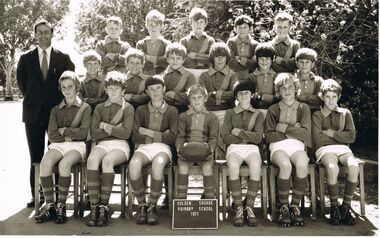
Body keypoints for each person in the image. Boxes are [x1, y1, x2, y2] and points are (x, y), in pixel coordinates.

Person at [16, 19, 75, 208]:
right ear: (35, 35)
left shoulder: (63, 58)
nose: (43, 35)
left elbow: (70, 82)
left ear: (52, 34)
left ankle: (57, 196)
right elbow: (22, 84)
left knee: (57, 153)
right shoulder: (25, 58)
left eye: (46, 32)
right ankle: (37, 194)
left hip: (56, 114)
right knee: (36, 156)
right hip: (33, 114)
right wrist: (35, 100)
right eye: (39, 32)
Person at [34, 71, 91, 224]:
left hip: (77, 146)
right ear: (60, 89)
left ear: (77, 87)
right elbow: (52, 135)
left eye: (70, 86)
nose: (67, 90)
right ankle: (50, 205)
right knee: (45, 163)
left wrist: (64, 131)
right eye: (63, 87)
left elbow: (84, 133)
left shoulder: (85, 108)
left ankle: (62, 206)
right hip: (58, 144)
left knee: (64, 164)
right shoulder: (55, 110)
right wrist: (71, 134)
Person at [86, 71, 135, 227]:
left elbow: (126, 133)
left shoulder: (128, 108)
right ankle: (94, 205)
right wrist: (115, 128)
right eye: (110, 88)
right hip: (102, 143)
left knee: (107, 161)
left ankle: (104, 207)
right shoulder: (100, 107)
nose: (113, 92)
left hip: (120, 145)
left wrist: (105, 126)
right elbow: (94, 132)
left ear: (123, 91)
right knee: (92, 159)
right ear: (106, 89)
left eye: (117, 88)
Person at [129, 75, 178, 225]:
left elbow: (172, 137)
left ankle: (152, 205)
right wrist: (160, 135)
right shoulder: (141, 110)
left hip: (163, 148)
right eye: (152, 89)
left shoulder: (172, 110)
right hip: (144, 147)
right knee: (134, 164)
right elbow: (135, 136)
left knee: (158, 165)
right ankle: (142, 204)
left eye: (158, 88)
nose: (156, 92)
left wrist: (148, 132)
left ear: (164, 89)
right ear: (147, 92)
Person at [265, 73, 311, 227]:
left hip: (297, 146)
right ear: (278, 91)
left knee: (303, 163)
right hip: (278, 147)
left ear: (296, 88)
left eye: (290, 86)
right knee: (285, 165)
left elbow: (305, 133)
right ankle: (284, 207)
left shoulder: (304, 108)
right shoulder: (273, 109)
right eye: (283, 88)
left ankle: (295, 206)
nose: (287, 90)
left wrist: (283, 127)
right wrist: (293, 130)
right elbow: (270, 136)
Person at [312, 79, 359, 226]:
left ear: (338, 97)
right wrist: (340, 135)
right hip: (324, 149)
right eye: (327, 97)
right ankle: (334, 207)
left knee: (353, 166)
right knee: (332, 168)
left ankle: (345, 207)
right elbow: (318, 139)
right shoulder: (318, 115)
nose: (330, 100)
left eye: (334, 97)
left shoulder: (345, 113)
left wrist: (331, 133)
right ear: (322, 97)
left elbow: (351, 136)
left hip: (343, 148)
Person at [221, 80, 265, 227]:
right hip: (234, 148)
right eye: (240, 93)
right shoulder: (230, 113)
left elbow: (258, 137)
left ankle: (250, 206)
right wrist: (248, 135)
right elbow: (226, 137)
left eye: (247, 93)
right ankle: (239, 207)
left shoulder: (258, 114)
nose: (244, 95)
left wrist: (238, 132)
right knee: (233, 166)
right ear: (236, 96)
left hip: (252, 149)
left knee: (255, 166)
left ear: (252, 95)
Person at [176, 84, 219, 199]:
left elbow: (213, 138)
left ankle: (210, 201)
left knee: (207, 167)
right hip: (187, 151)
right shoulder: (183, 116)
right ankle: (181, 202)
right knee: (183, 167)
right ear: (189, 99)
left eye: (199, 97)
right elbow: (180, 136)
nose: (196, 100)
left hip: (204, 151)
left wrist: (210, 151)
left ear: (205, 98)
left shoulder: (212, 117)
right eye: (193, 98)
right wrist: (179, 151)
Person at [199, 42, 238, 126]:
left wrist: (213, 94)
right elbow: (202, 96)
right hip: (208, 111)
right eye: (217, 56)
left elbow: (234, 94)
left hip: (227, 112)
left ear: (226, 58)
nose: (220, 59)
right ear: (212, 58)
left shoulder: (232, 75)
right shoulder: (204, 76)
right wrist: (224, 97)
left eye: (223, 56)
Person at [180, 7, 215, 80]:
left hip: (206, 73)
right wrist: (203, 58)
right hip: (188, 73)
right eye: (196, 21)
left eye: (201, 22)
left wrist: (193, 56)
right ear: (190, 23)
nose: (198, 25)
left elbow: (212, 59)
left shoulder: (210, 40)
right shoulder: (184, 41)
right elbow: (183, 60)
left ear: (205, 23)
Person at [162, 42, 196, 114]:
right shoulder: (162, 76)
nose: (175, 61)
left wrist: (174, 95)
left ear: (183, 60)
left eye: (178, 58)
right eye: (172, 58)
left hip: (183, 109)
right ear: (167, 59)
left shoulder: (189, 76)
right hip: (164, 109)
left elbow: (192, 96)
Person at [136, 9, 171, 76]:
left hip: (163, 77)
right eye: (151, 25)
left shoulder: (167, 44)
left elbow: (166, 61)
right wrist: (158, 61)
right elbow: (141, 64)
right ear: (146, 25)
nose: (153, 28)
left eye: (157, 25)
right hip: (145, 77)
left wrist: (147, 57)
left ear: (161, 26)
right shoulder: (141, 44)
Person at [248, 43, 279, 111]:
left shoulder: (277, 77)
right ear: (257, 59)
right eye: (261, 58)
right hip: (255, 110)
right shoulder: (251, 77)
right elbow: (251, 97)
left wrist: (261, 96)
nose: (264, 61)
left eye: (267, 58)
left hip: (273, 110)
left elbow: (278, 97)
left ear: (272, 59)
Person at [227, 15, 259, 79]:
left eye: (245, 27)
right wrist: (248, 62)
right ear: (235, 29)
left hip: (250, 78)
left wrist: (239, 59)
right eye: (239, 27)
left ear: (250, 29)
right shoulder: (231, 42)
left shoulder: (255, 45)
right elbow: (231, 63)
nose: (242, 30)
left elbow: (256, 65)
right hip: (233, 77)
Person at [294, 48, 324, 113]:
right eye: (301, 62)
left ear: (312, 64)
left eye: (307, 62)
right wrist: (311, 98)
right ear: (296, 63)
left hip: (314, 113)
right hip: (295, 112)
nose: (304, 65)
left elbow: (320, 99)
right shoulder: (292, 79)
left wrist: (304, 98)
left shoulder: (318, 81)